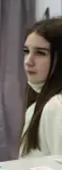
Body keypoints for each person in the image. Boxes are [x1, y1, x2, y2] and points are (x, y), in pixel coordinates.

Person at [20, 17, 62, 158]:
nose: (29, 61)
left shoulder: (56, 106)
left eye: (40, 53)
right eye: (26, 51)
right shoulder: (39, 106)